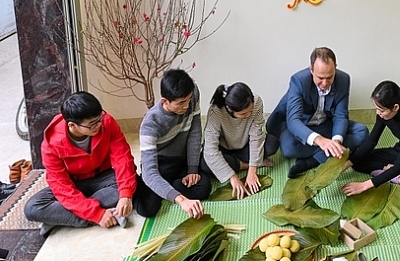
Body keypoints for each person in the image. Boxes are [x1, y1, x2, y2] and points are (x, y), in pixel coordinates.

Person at [24, 92, 139, 237]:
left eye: (99, 119)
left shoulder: (106, 122)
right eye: (92, 124)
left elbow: (122, 158)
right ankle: (98, 214)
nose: (99, 125)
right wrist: (96, 214)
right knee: (33, 208)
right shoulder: (51, 144)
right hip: (74, 183)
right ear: (72, 125)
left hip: (103, 178)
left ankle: (58, 219)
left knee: (129, 185)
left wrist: (125, 195)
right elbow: (61, 186)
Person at [266, 47, 369, 178]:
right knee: (288, 148)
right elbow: (293, 120)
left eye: (330, 77)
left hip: (325, 123)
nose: (325, 83)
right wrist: (320, 140)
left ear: (335, 68)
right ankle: (324, 152)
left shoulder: (344, 79)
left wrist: (336, 141)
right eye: (320, 78)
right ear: (311, 70)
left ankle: (311, 161)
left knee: (362, 132)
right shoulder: (298, 81)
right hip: (302, 125)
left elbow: (341, 115)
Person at [341, 81, 400, 196]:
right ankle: (395, 172)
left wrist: (364, 185)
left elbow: (398, 165)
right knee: (358, 162)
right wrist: (346, 164)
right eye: (376, 108)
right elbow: (371, 141)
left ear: (395, 107)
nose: (378, 113)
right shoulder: (384, 114)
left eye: (381, 110)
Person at [137, 69, 211, 219]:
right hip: (162, 163)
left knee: (204, 187)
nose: (186, 106)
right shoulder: (150, 124)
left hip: (181, 159)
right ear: (165, 101)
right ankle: (166, 186)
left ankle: (169, 187)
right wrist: (182, 200)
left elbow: (195, 133)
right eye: (181, 103)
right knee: (147, 209)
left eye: (188, 100)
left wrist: (192, 169)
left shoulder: (192, 93)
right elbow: (150, 172)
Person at [201, 82, 279, 200]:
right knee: (205, 163)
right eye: (243, 114)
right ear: (229, 108)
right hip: (224, 151)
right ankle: (244, 165)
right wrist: (232, 178)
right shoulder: (216, 111)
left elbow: (256, 136)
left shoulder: (256, 102)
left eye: (250, 111)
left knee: (272, 144)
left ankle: (245, 164)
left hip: (244, 146)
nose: (248, 115)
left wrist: (253, 171)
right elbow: (210, 150)